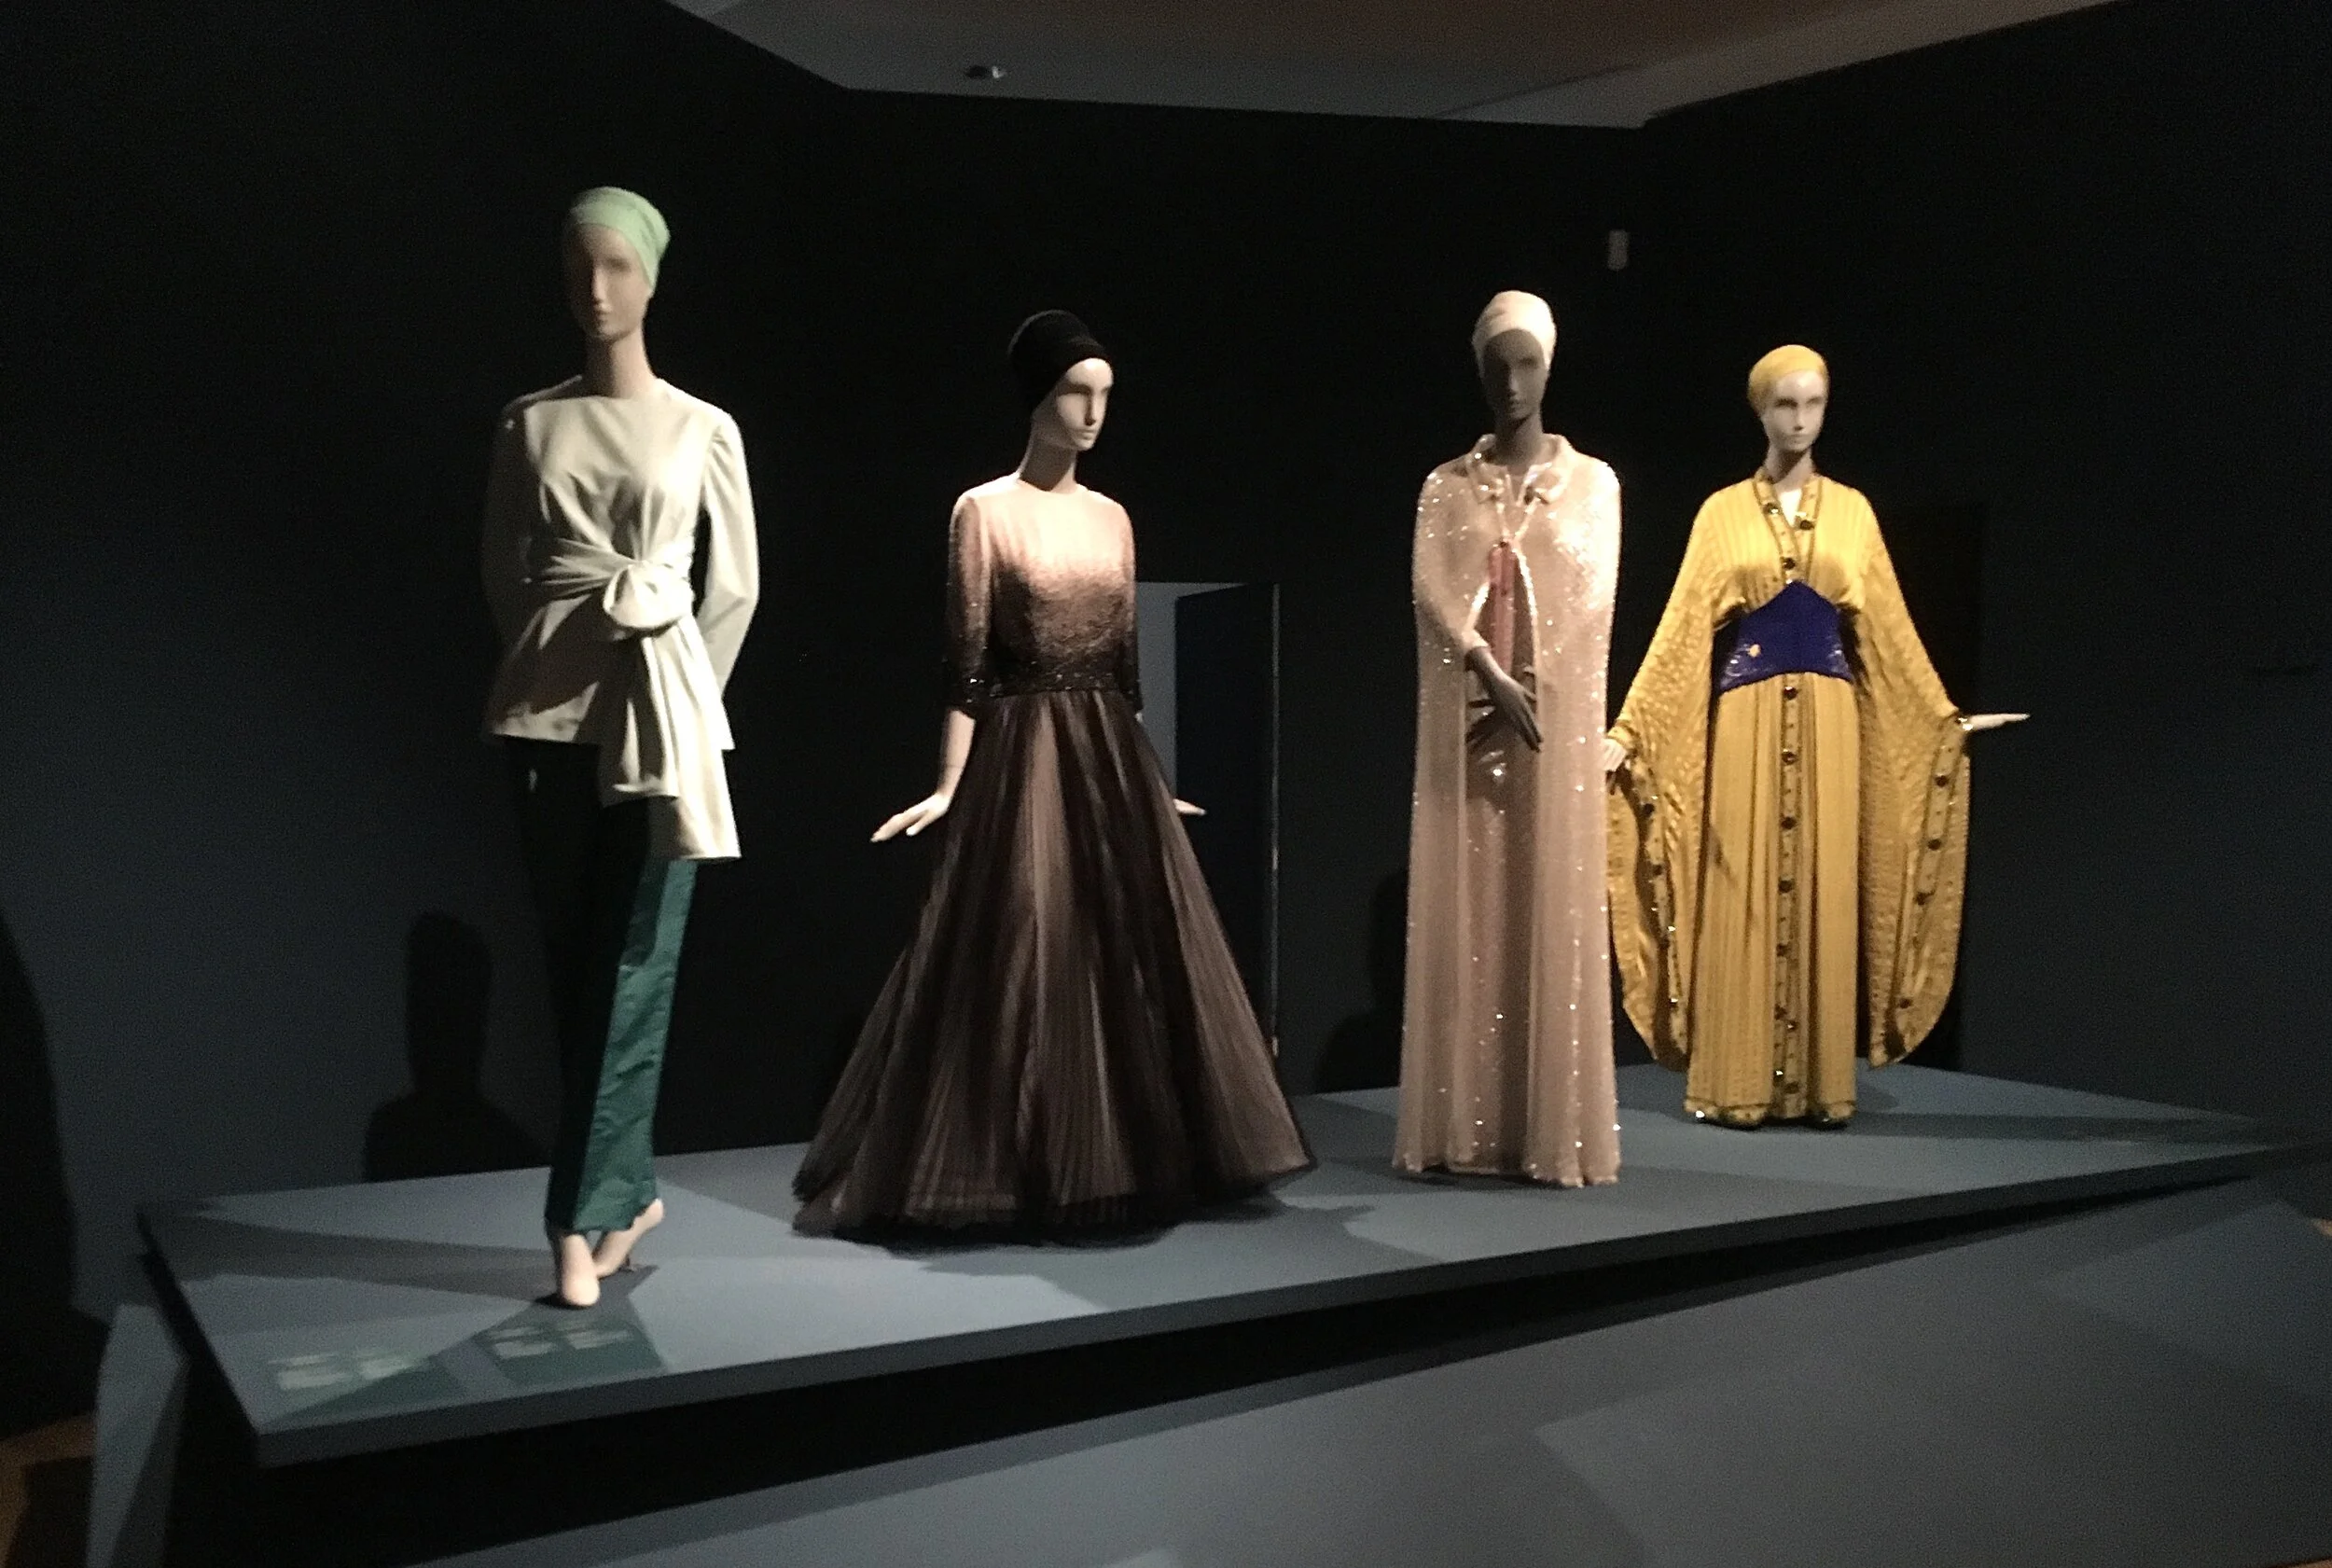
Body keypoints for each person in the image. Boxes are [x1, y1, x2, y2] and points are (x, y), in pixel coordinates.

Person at [793, 311, 1312, 1233]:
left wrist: (1148, 781)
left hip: (1107, 759)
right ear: (1037, 396)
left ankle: (1127, 1153)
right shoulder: (983, 512)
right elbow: (966, 668)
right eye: (1076, 391)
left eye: (1105, 395)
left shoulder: (1113, 519)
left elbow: (1124, 674)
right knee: (1028, 945)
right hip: (1022, 753)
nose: (1093, 412)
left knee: (1118, 950)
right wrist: (950, 785)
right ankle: (1016, 1161)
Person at [1605, 345, 2022, 1128]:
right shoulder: (1721, 513)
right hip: (1745, 722)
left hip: (1832, 725)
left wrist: (1944, 719)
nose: (1800, 421)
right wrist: (1632, 730)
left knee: (1826, 883)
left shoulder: (1854, 513)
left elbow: (1888, 632)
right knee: (1739, 886)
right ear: (1760, 411)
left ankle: (1821, 1085)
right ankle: (1735, 1083)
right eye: (1785, 405)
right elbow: (1682, 629)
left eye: (1814, 405)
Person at [481, 187, 758, 1303]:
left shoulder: (703, 427)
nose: (594, 291)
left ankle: (575, 1214)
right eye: (577, 269)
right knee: (573, 967)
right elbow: (504, 568)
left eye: (616, 268)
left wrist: (679, 696)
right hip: (546, 716)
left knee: (635, 968)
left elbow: (733, 587)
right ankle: (626, 1190)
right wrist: (559, 653)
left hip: (661, 727)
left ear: (650, 277)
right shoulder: (529, 423)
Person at [1395, 290, 1621, 1186]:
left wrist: (1544, 685)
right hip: (1474, 731)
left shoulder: (1593, 485)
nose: (1513, 383)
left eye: (1527, 363)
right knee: (1474, 906)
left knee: (1545, 898)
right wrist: (1485, 665)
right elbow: (1429, 589)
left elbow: (1593, 599)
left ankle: (1545, 1123)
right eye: (1498, 366)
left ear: (1550, 367)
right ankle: (1467, 1120)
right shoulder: (1446, 487)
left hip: (1549, 738)